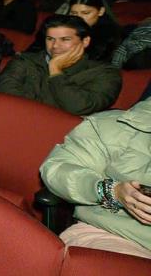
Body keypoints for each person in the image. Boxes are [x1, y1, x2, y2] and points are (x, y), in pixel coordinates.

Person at [40, 97, 151, 259]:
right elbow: (58, 170)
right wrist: (111, 191)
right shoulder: (116, 127)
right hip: (115, 235)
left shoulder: (106, 73)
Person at [0, 15, 121, 115]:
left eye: (65, 39)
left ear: (85, 41)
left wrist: (55, 71)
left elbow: (79, 107)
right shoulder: (25, 60)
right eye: (50, 39)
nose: (55, 46)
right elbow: (4, 94)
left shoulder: (105, 72)